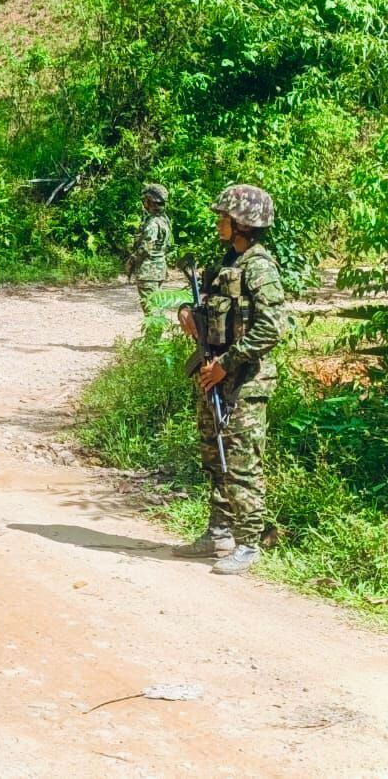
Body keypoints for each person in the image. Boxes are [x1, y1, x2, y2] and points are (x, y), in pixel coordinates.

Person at [174, 184, 286, 575]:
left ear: (243, 223)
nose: (219, 223)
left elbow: (272, 327)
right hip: (215, 377)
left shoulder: (259, 267)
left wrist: (227, 363)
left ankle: (249, 543)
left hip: (244, 383)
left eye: (224, 217)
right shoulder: (227, 262)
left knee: (240, 464)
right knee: (214, 457)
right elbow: (205, 303)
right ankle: (218, 533)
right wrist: (186, 312)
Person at [125, 183, 172, 313]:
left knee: (151, 309)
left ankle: (155, 327)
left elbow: (146, 247)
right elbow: (167, 245)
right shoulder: (164, 220)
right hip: (159, 270)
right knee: (157, 307)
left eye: (146, 200)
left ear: (150, 201)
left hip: (148, 272)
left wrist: (131, 261)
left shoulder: (152, 223)